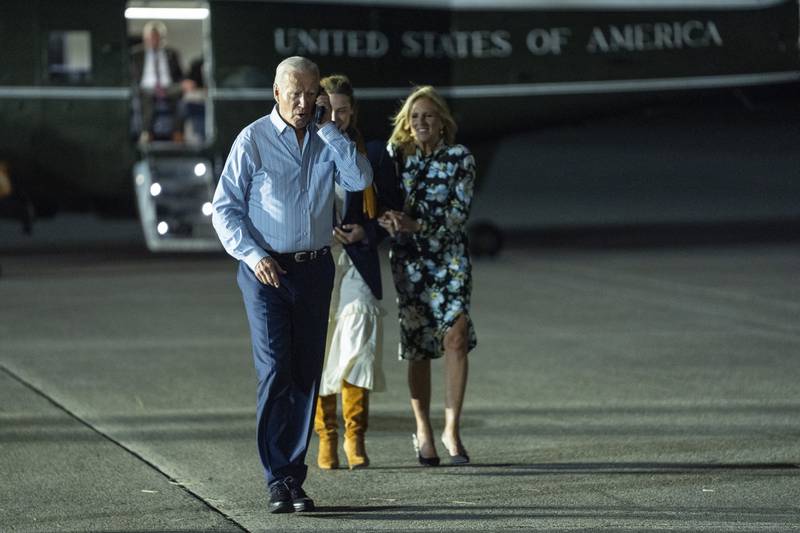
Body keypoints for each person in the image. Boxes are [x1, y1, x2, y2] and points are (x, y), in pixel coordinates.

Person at [210, 56, 373, 513]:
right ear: (277, 94)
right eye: (294, 93)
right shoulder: (253, 140)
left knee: (305, 373)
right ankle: (277, 477)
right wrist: (253, 254)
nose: (302, 103)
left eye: (310, 94)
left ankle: (292, 479)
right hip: (266, 271)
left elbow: (360, 179)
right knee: (276, 369)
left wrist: (329, 131)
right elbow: (225, 208)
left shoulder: (327, 139)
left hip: (315, 268)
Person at [377, 85, 477, 467]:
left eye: (428, 116)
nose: (420, 122)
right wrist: (385, 218)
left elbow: (459, 213)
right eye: (414, 116)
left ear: (441, 122)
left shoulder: (459, 158)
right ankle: (423, 429)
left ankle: (452, 427)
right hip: (411, 261)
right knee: (419, 346)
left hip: (449, 257)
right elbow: (380, 198)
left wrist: (416, 224)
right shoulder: (396, 157)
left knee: (456, 336)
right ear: (406, 123)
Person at [313, 74, 385, 471]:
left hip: (357, 257)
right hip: (320, 258)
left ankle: (355, 436)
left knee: (358, 344)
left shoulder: (371, 152)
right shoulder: (307, 149)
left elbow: (391, 207)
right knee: (321, 350)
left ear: (353, 111)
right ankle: (327, 437)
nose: (336, 118)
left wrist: (366, 230)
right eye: (329, 110)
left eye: (343, 110)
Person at [130, 21, 183, 142]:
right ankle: (146, 133)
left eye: (156, 37)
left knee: (181, 101)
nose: (153, 40)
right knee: (144, 98)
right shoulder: (135, 54)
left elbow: (180, 76)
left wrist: (183, 84)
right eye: (151, 37)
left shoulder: (172, 54)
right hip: (145, 88)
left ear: (161, 38)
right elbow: (132, 77)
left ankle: (178, 134)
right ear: (145, 38)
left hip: (169, 88)